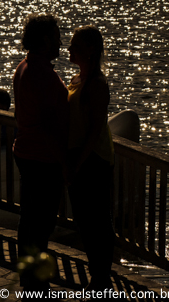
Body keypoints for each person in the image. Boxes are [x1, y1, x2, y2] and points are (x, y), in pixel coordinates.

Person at [12, 13, 68, 291]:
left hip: (27, 151)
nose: (61, 43)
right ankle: (36, 283)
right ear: (45, 40)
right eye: (56, 37)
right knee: (41, 224)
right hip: (42, 157)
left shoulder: (25, 66)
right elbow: (48, 124)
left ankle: (29, 279)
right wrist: (65, 161)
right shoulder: (42, 74)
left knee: (29, 220)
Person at [66, 25, 115, 291]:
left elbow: (96, 130)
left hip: (93, 158)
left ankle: (101, 277)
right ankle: (97, 274)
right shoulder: (77, 79)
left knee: (97, 220)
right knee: (84, 219)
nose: (69, 49)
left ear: (90, 49)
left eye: (75, 45)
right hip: (78, 155)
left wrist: (78, 163)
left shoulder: (96, 84)